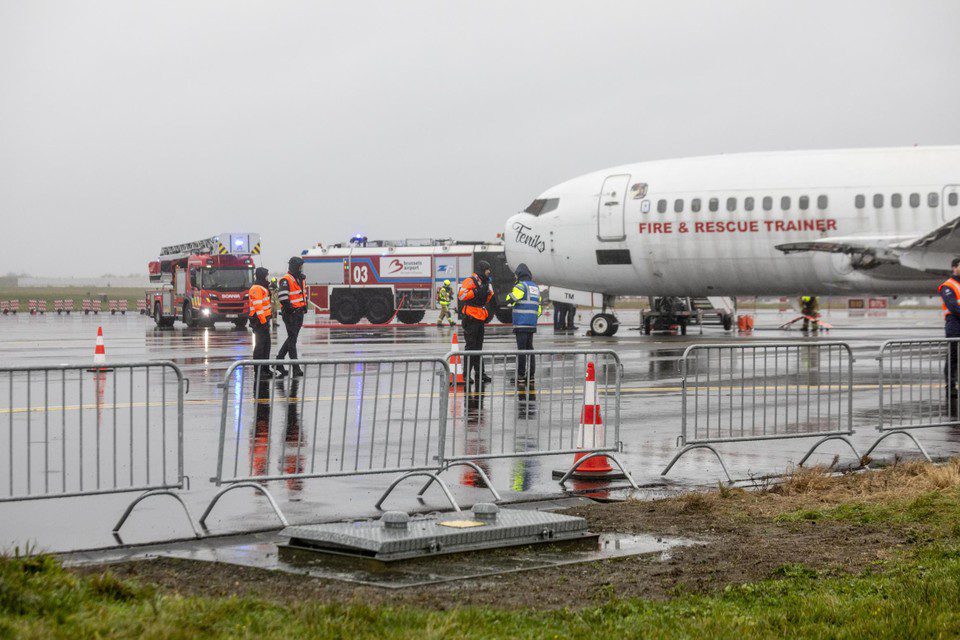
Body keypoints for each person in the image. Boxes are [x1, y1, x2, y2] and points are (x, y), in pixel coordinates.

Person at [458, 260, 494, 389]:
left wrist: (487, 293)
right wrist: (476, 292)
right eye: (487, 269)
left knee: (479, 347)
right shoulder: (470, 280)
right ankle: (466, 374)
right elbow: (461, 295)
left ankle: (480, 374)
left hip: (480, 317)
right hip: (471, 318)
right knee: (470, 347)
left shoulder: (486, 282)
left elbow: (489, 296)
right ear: (482, 269)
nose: (489, 271)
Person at [505, 263, 542, 387]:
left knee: (521, 351)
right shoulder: (535, 288)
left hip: (521, 324)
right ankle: (531, 376)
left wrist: (508, 297)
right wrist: (532, 317)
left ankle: (520, 377)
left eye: (516, 274)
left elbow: (512, 298)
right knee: (530, 350)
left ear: (519, 274)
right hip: (531, 324)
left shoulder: (520, 286)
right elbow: (539, 308)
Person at [275, 256, 307, 377]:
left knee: (291, 338)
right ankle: (296, 367)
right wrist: (291, 310)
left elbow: (303, 294)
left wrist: (303, 306)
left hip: (299, 313)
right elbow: (283, 297)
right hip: (291, 314)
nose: (301, 269)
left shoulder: (300, 278)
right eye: (299, 266)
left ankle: (279, 360)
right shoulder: (285, 279)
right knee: (292, 340)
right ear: (294, 267)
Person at [939, 258, 960, 414]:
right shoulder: (948, 286)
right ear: (954, 268)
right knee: (953, 355)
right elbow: (953, 306)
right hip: (954, 323)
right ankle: (951, 386)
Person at [248, 267, 273, 380]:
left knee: (266, 346)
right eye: (266, 275)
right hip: (259, 321)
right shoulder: (256, 288)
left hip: (264, 320)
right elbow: (258, 307)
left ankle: (265, 369)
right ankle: (259, 370)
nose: (268, 277)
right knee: (260, 346)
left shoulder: (262, 287)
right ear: (262, 275)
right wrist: (263, 322)